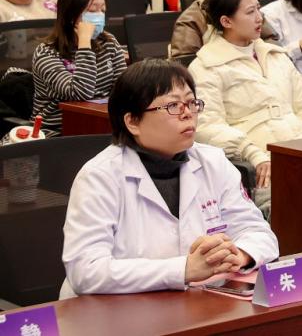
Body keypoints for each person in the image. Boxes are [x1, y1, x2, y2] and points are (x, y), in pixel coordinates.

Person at [60, 59, 278, 297]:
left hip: (196, 302)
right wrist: (184, 269)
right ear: (132, 122)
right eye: (173, 105)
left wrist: (239, 253)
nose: (188, 114)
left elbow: (259, 233)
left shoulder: (213, 161)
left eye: (191, 103)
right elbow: (86, 271)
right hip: (115, 308)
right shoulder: (99, 176)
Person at [191, 0, 302, 214]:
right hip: (261, 163)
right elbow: (207, 126)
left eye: (258, 9)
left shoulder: (275, 55)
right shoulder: (206, 66)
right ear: (226, 21)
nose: (260, 18)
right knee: (296, 210)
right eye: (250, 12)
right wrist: (252, 154)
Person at [31, 0, 128, 134]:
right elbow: (80, 93)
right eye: (92, 10)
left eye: (102, 10)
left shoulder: (108, 41)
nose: (99, 15)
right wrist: (84, 43)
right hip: (60, 130)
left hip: (101, 122)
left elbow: (123, 88)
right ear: (71, 15)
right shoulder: (46, 52)